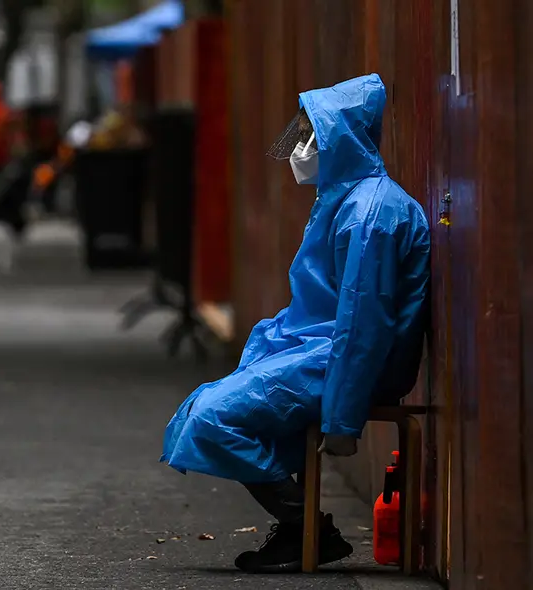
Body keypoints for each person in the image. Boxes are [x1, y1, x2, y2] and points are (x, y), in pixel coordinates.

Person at [160, 73, 430, 573]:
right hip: (324, 350)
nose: (301, 150)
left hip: (347, 359)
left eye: (312, 137)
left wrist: (343, 420)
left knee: (213, 416)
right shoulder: (345, 199)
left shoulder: (369, 213)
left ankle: (306, 527)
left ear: (343, 140)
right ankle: (298, 527)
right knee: (205, 406)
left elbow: (363, 325)